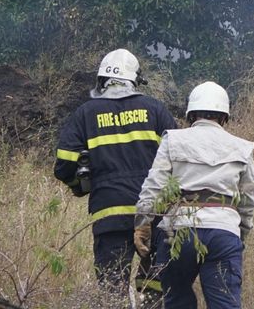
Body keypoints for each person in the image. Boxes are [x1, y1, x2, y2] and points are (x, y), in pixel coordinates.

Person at [54, 48, 177, 303]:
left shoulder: (85, 113)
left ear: (102, 81)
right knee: (153, 286)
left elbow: (64, 165)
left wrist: (80, 185)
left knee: (112, 290)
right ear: (135, 79)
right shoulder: (155, 109)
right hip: (152, 215)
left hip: (109, 215)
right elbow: (179, 158)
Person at [133, 82, 254, 309]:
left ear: (191, 114)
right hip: (224, 233)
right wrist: (240, 235)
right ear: (224, 117)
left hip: (179, 231)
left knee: (176, 300)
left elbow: (153, 187)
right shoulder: (242, 148)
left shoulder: (173, 139)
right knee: (225, 304)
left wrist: (143, 224)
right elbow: (249, 201)